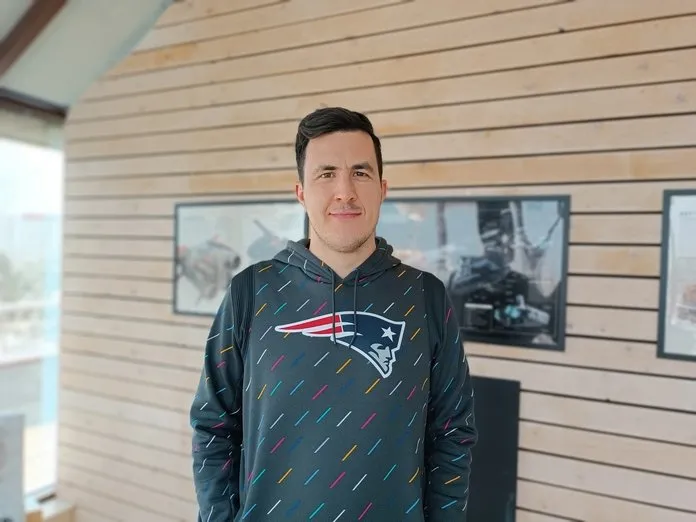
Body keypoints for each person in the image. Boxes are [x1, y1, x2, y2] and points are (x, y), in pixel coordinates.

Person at [189, 107, 478, 521]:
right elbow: (213, 425)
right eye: (326, 174)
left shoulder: (425, 297)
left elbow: (452, 434)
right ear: (301, 192)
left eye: (360, 172)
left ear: (382, 188)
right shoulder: (250, 292)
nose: (345, 191)